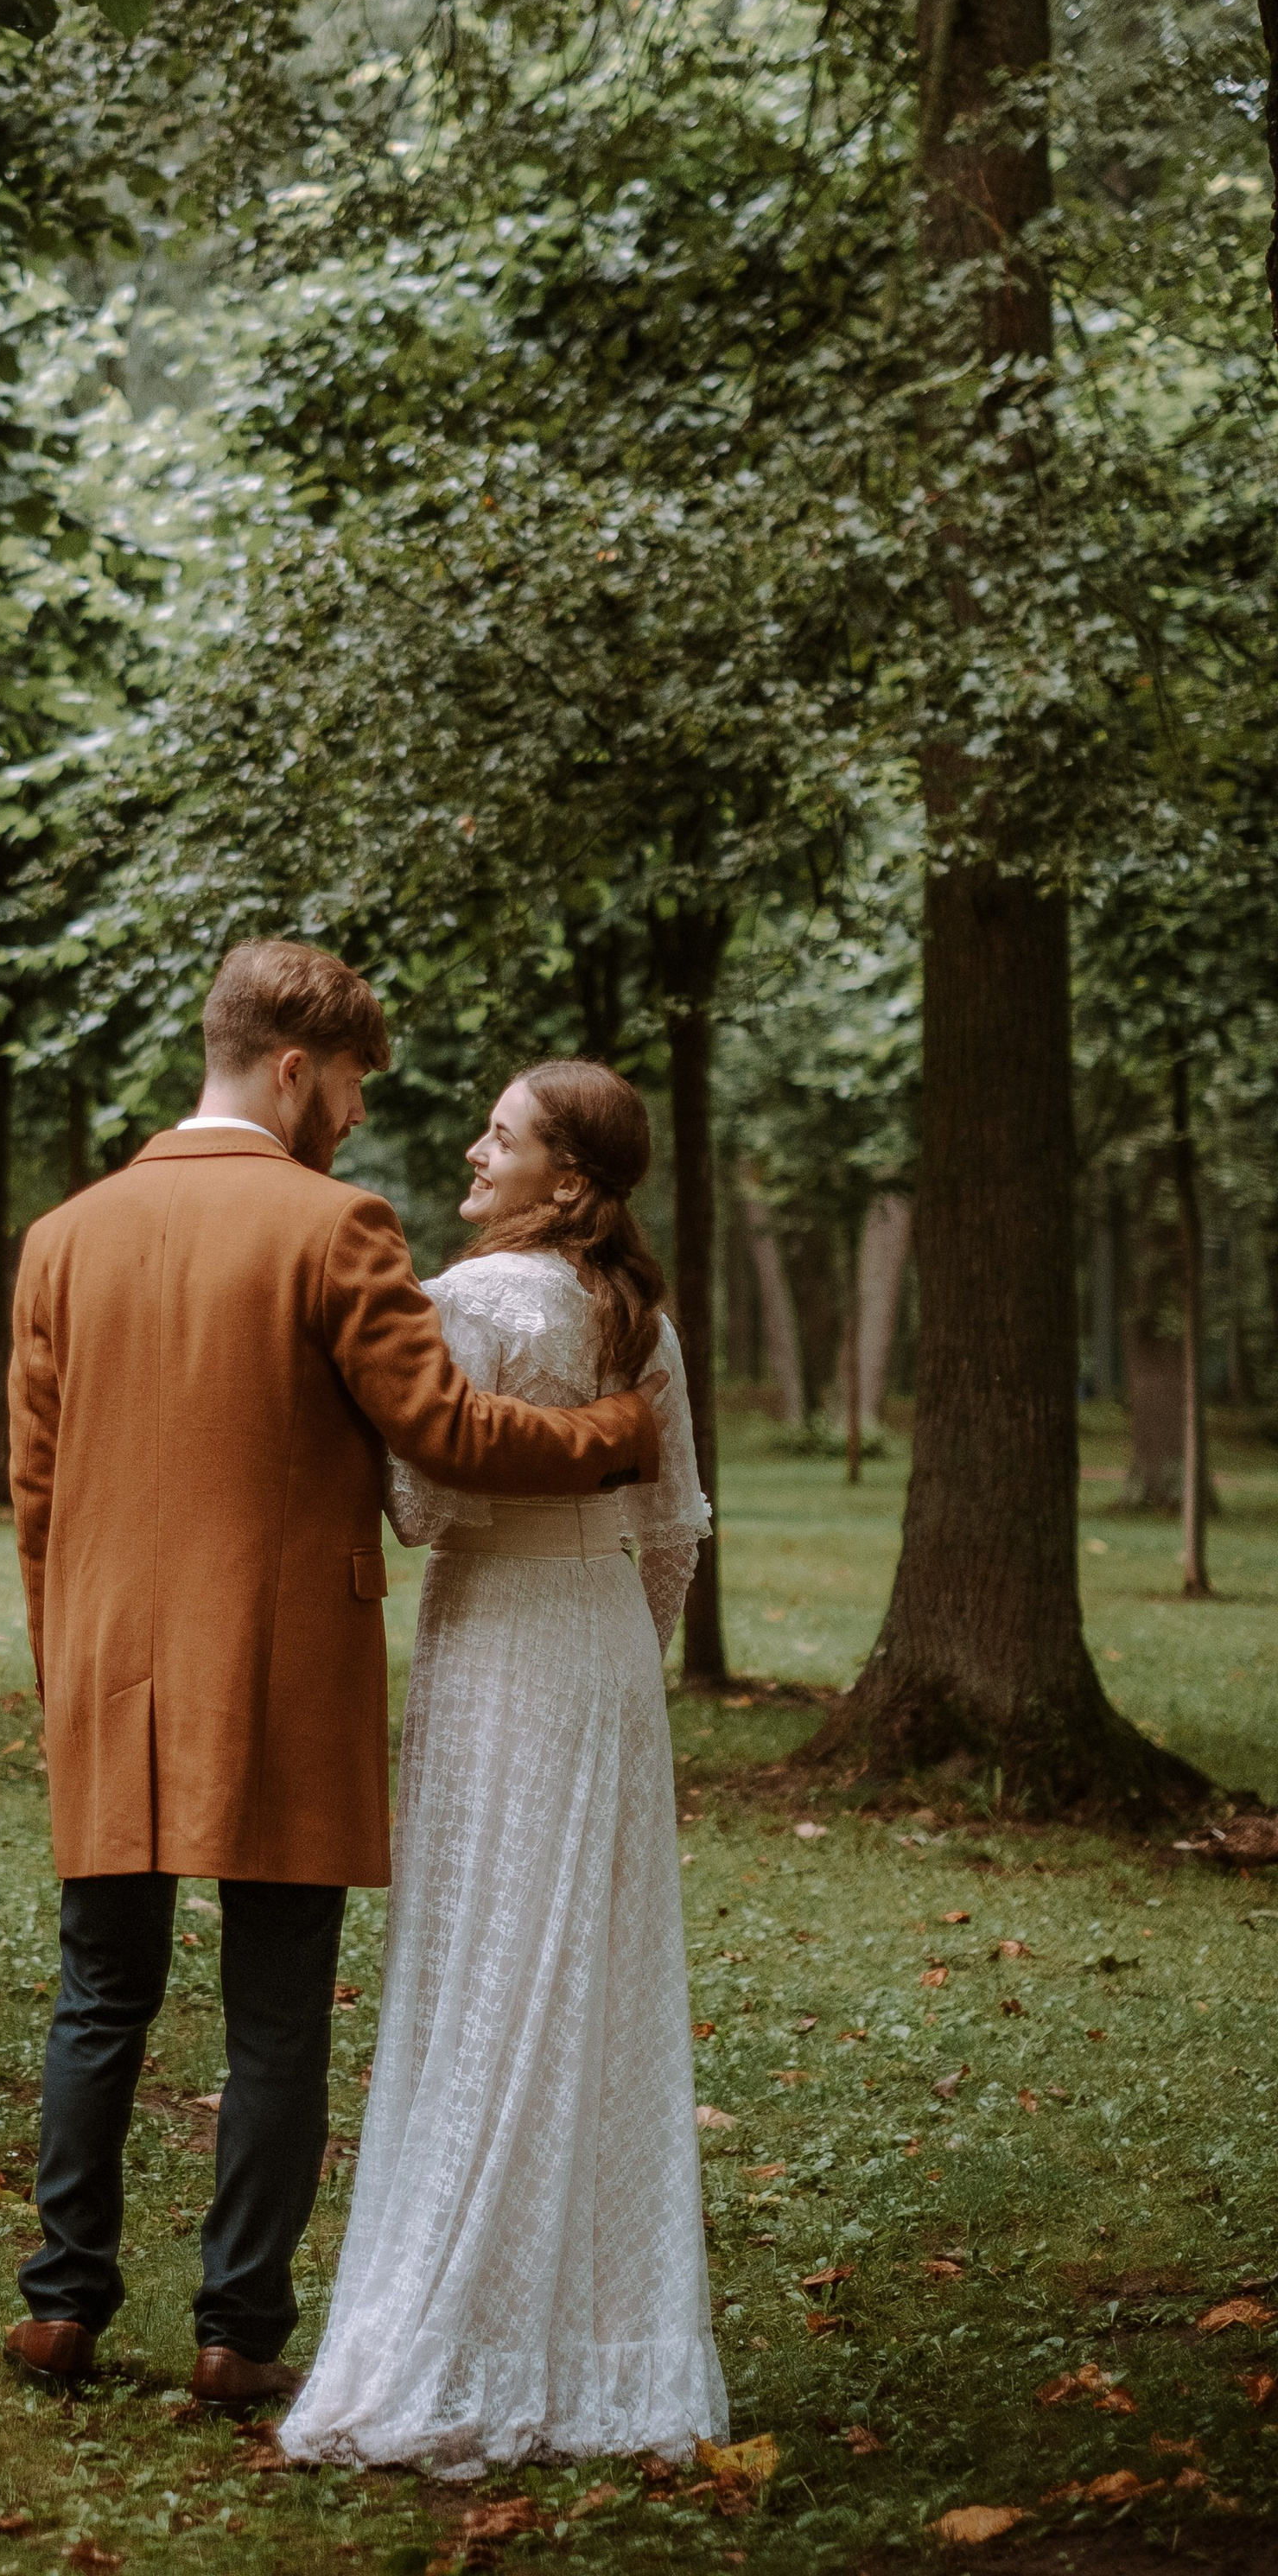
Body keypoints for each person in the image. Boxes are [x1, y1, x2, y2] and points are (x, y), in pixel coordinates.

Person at [2, 944, 664, 2406]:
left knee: (99, 1996)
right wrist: (615, 1434)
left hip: (107, 1665)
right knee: (276, 2013)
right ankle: (238, 2334)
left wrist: (65, 1668)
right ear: (295, 1070)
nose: (360, 1115)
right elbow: (449, 1433)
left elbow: (35, 1490)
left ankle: (61, 2308)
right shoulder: (337, 1225)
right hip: (282, 1659)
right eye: (354, 1082)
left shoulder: (64, 1235)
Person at [277, 1059, 727, 2476]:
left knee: (485, 1961)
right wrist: (620, 1654)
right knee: (588, 1974)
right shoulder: (644, 1321)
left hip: (495, 1643)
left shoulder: (468, 1303)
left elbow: (419, 1505)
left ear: (567, 1178)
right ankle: (605, 2339)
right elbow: (673, 1534)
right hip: (603, 1652)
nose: (477, 1151)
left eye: (503, 1134)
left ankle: (459, 2321)